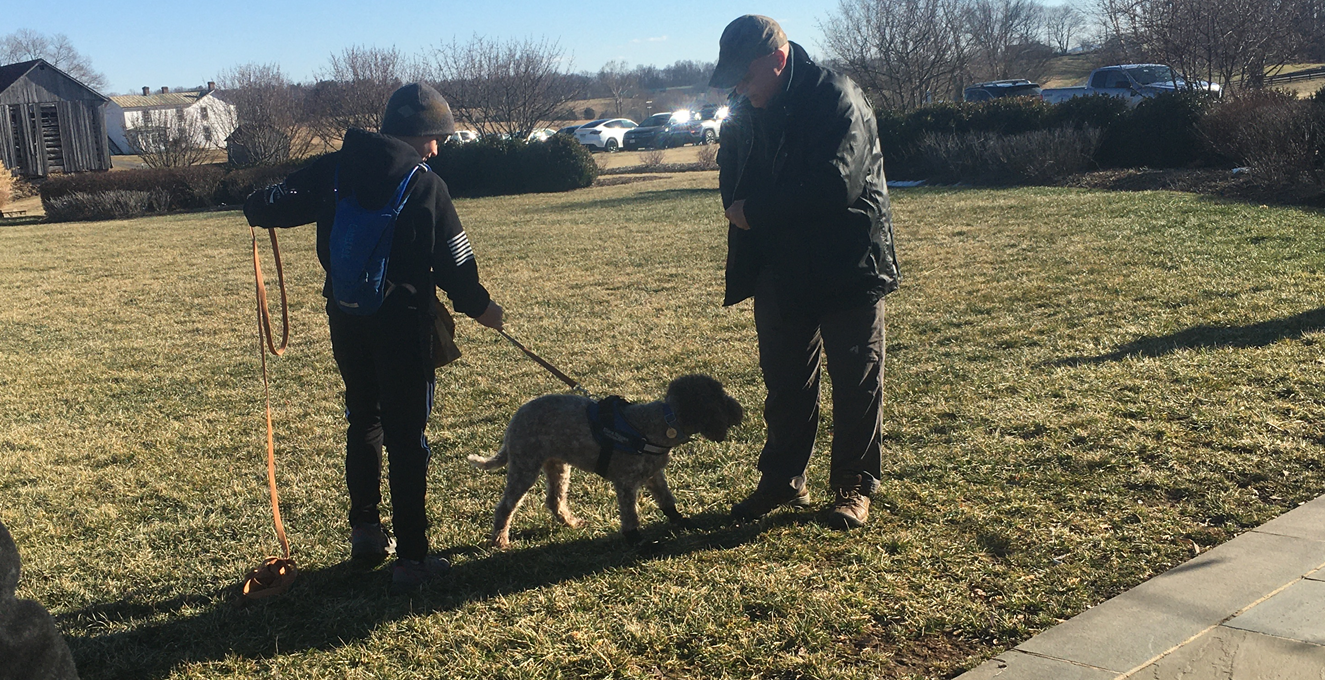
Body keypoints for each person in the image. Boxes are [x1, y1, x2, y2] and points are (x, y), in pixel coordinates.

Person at [244, 83, 503, 591]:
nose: (438, 148)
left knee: (364, 417)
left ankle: (365, 530)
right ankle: (412, 559)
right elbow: (457, 264)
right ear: (420, 133)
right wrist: (482, 308)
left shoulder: (333, 168)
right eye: (436, 137)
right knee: (408, 437)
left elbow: (267, 205)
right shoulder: (426, 184)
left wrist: (255, 202)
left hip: (347, 316)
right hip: (404, 324)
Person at [711, 15, 900, 529]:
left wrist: (756, 211)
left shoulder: (838, 98)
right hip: (780, 265)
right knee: (785, 381)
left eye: (745, 78)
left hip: (847, 263)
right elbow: (732, 167)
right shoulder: (745, 106)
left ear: (777, 59)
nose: (739, 90)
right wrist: (738, 204)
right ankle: (781, 479)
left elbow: (835, 186)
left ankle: (853, 486)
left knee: (856, 377)